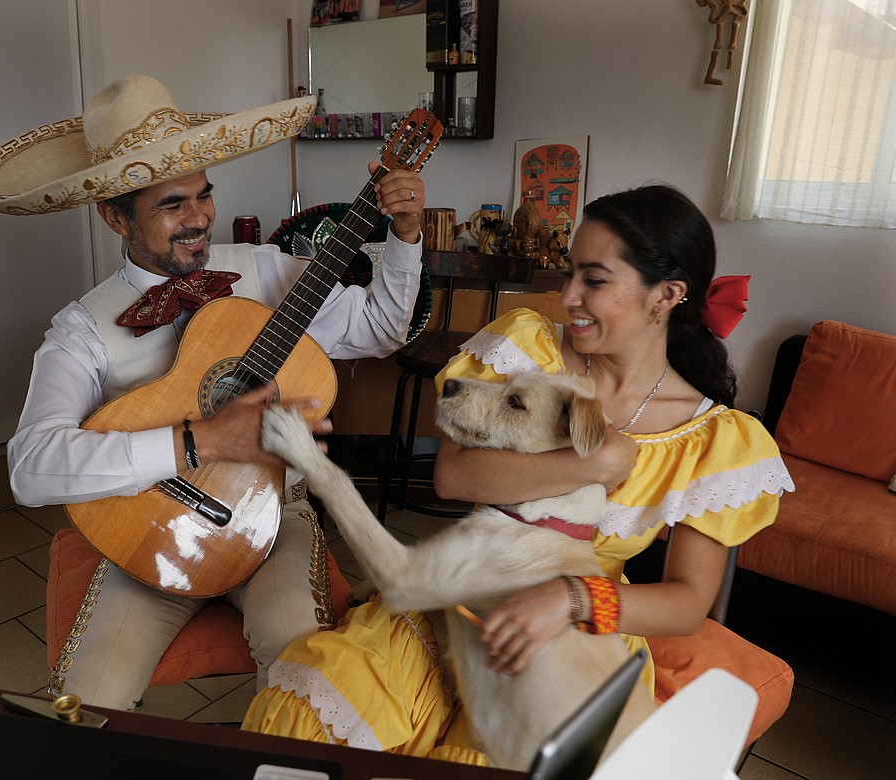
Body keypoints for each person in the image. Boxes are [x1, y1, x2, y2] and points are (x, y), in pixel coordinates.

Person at [242, 184, 795, 766]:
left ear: (667, 295)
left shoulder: (713, 439)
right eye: (571, 272)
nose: (569, 295)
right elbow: (454, 477)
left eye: (595, 279)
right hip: (458, 593)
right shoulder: (530, 349)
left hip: (573, 635)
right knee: (311, 726)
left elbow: (687, 603)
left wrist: (570, 598)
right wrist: (590, 465)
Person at [0, 75, 426, 711]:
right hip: (152, 522)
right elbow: (30, 468)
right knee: (91, 692)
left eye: (204, 196)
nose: (199, 218)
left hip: (272, 518)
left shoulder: (265, 271)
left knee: (298, 652)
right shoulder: (82, 329)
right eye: (171, 205)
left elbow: (380, 328)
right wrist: (197, 439)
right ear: (114, 214)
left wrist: (404, 237)